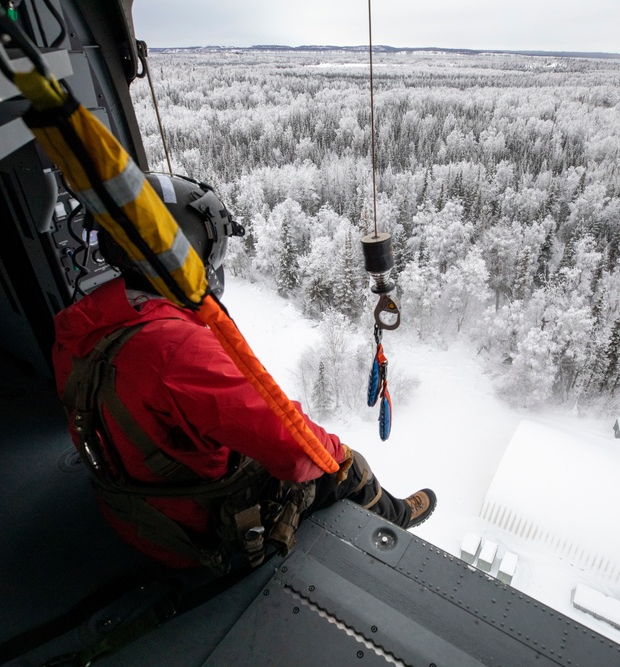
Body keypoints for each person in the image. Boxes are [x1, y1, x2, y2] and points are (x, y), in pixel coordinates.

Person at [52, 173, 435, 572]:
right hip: (190, 528)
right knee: (343, 463)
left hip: (132, 508)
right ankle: (396, 516)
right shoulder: (176, 350)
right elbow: (292, 445)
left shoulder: (82, 321)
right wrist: (337, 454)